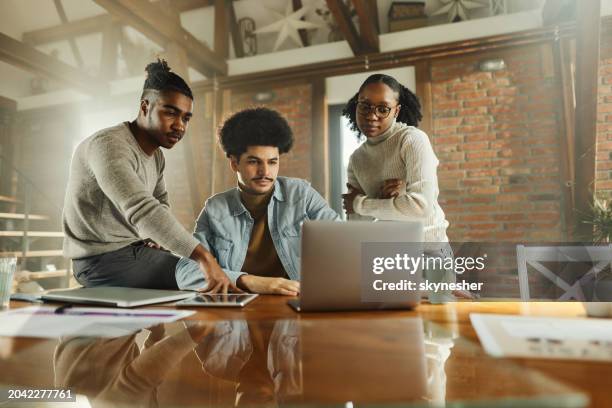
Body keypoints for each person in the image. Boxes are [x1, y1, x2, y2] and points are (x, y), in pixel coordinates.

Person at [62, 59, 237, 293]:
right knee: (194, 272)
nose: (180, 126)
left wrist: (155, 238)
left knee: (200, 269)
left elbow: (160, 203)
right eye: (171, 113)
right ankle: (262, 285)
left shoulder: (156, 156)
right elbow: (143, 209)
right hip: (99, 262)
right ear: (145, 107)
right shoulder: (108, 146)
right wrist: (204, 257)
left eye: (186, 118)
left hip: (133, 251)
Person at [176, 107, 339, 295]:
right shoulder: (215, 209)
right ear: (234, 163)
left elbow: (341, 242)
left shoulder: (301, 194)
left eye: (272, 162)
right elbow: (185, 272)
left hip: (295, 302)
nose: (265, 172)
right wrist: (250, 281)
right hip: (240, 307)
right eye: (254, 162)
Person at [340, 73, 457, 302]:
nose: (372, 116)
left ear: (396, 111)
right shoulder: (357, 159)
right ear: (357, 106)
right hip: (386, 254)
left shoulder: (412, 140)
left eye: (383, 109)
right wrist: (385, 205)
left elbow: (420, 208)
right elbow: (358, 224)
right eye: (365, 106)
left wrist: (360, 203)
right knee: (387, 331)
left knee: (437, 332)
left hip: (429, 252)